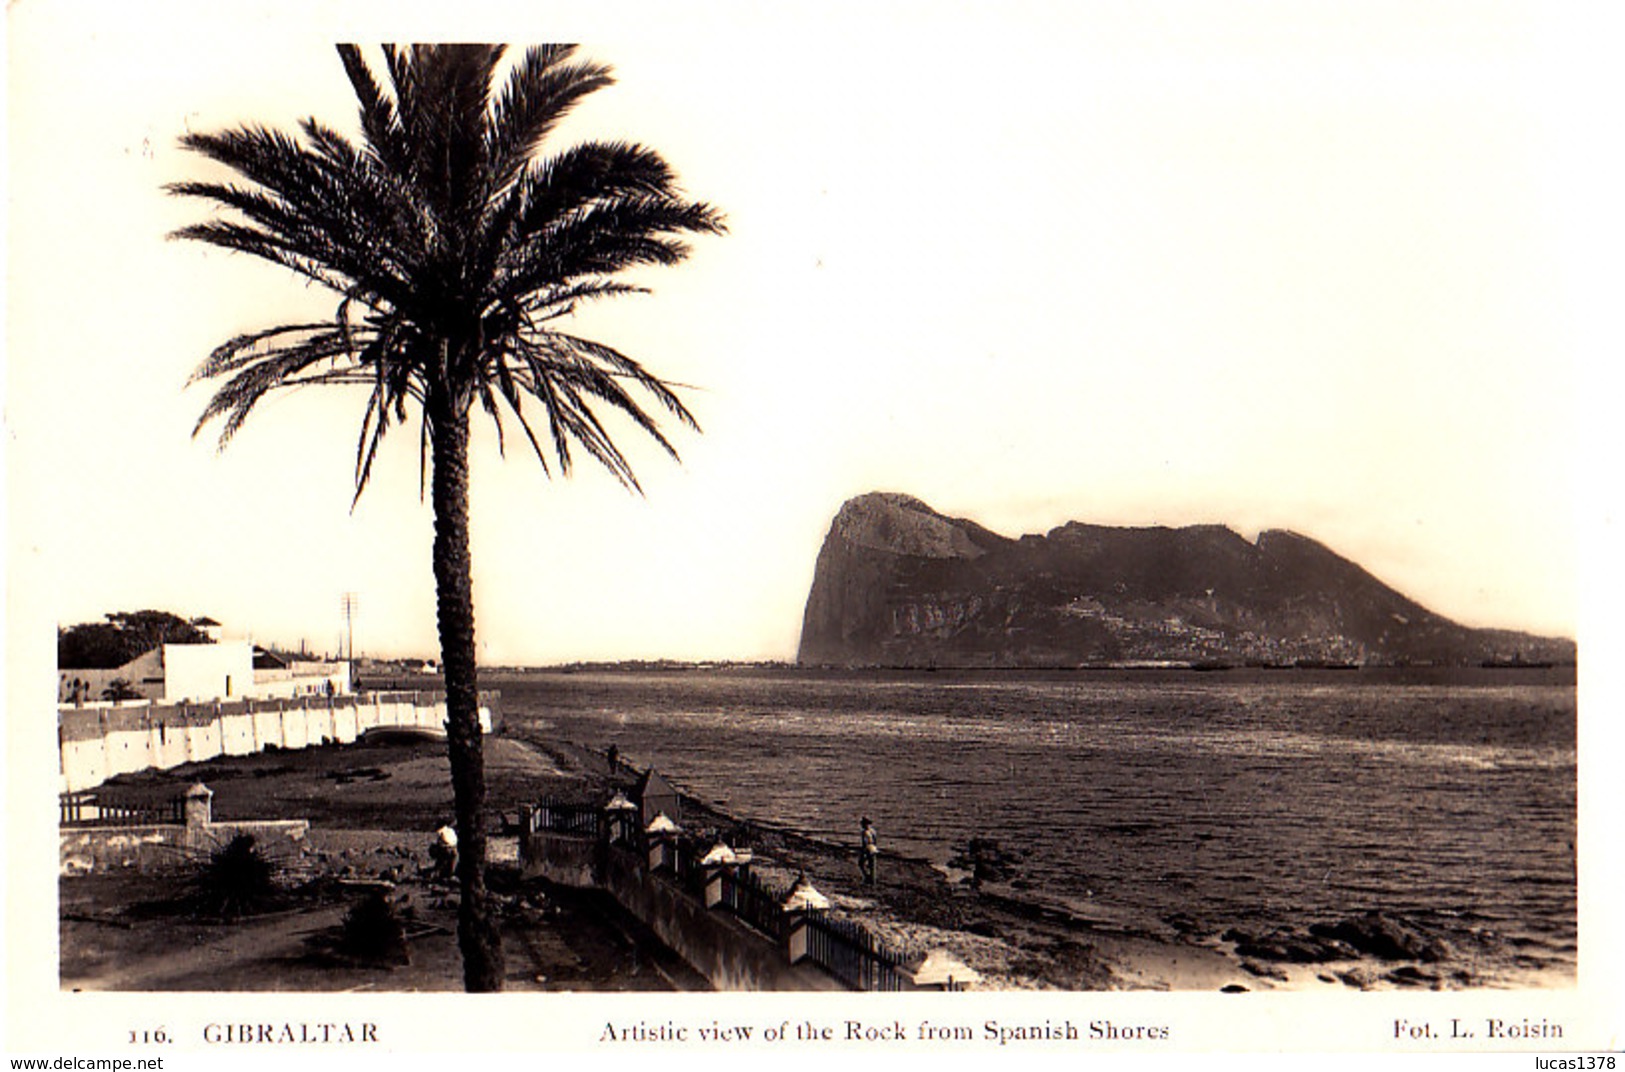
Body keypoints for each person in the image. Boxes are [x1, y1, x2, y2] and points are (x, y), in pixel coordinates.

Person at [859, 817, 879, 887]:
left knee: (861, 863)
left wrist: (863, 851)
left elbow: (864, 843)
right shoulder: (873, 831)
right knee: (872, 865)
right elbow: (875, 841)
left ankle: (868, 878)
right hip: (873, 848)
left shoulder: (864, 832)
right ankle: (872, 880)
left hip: (868, 848)